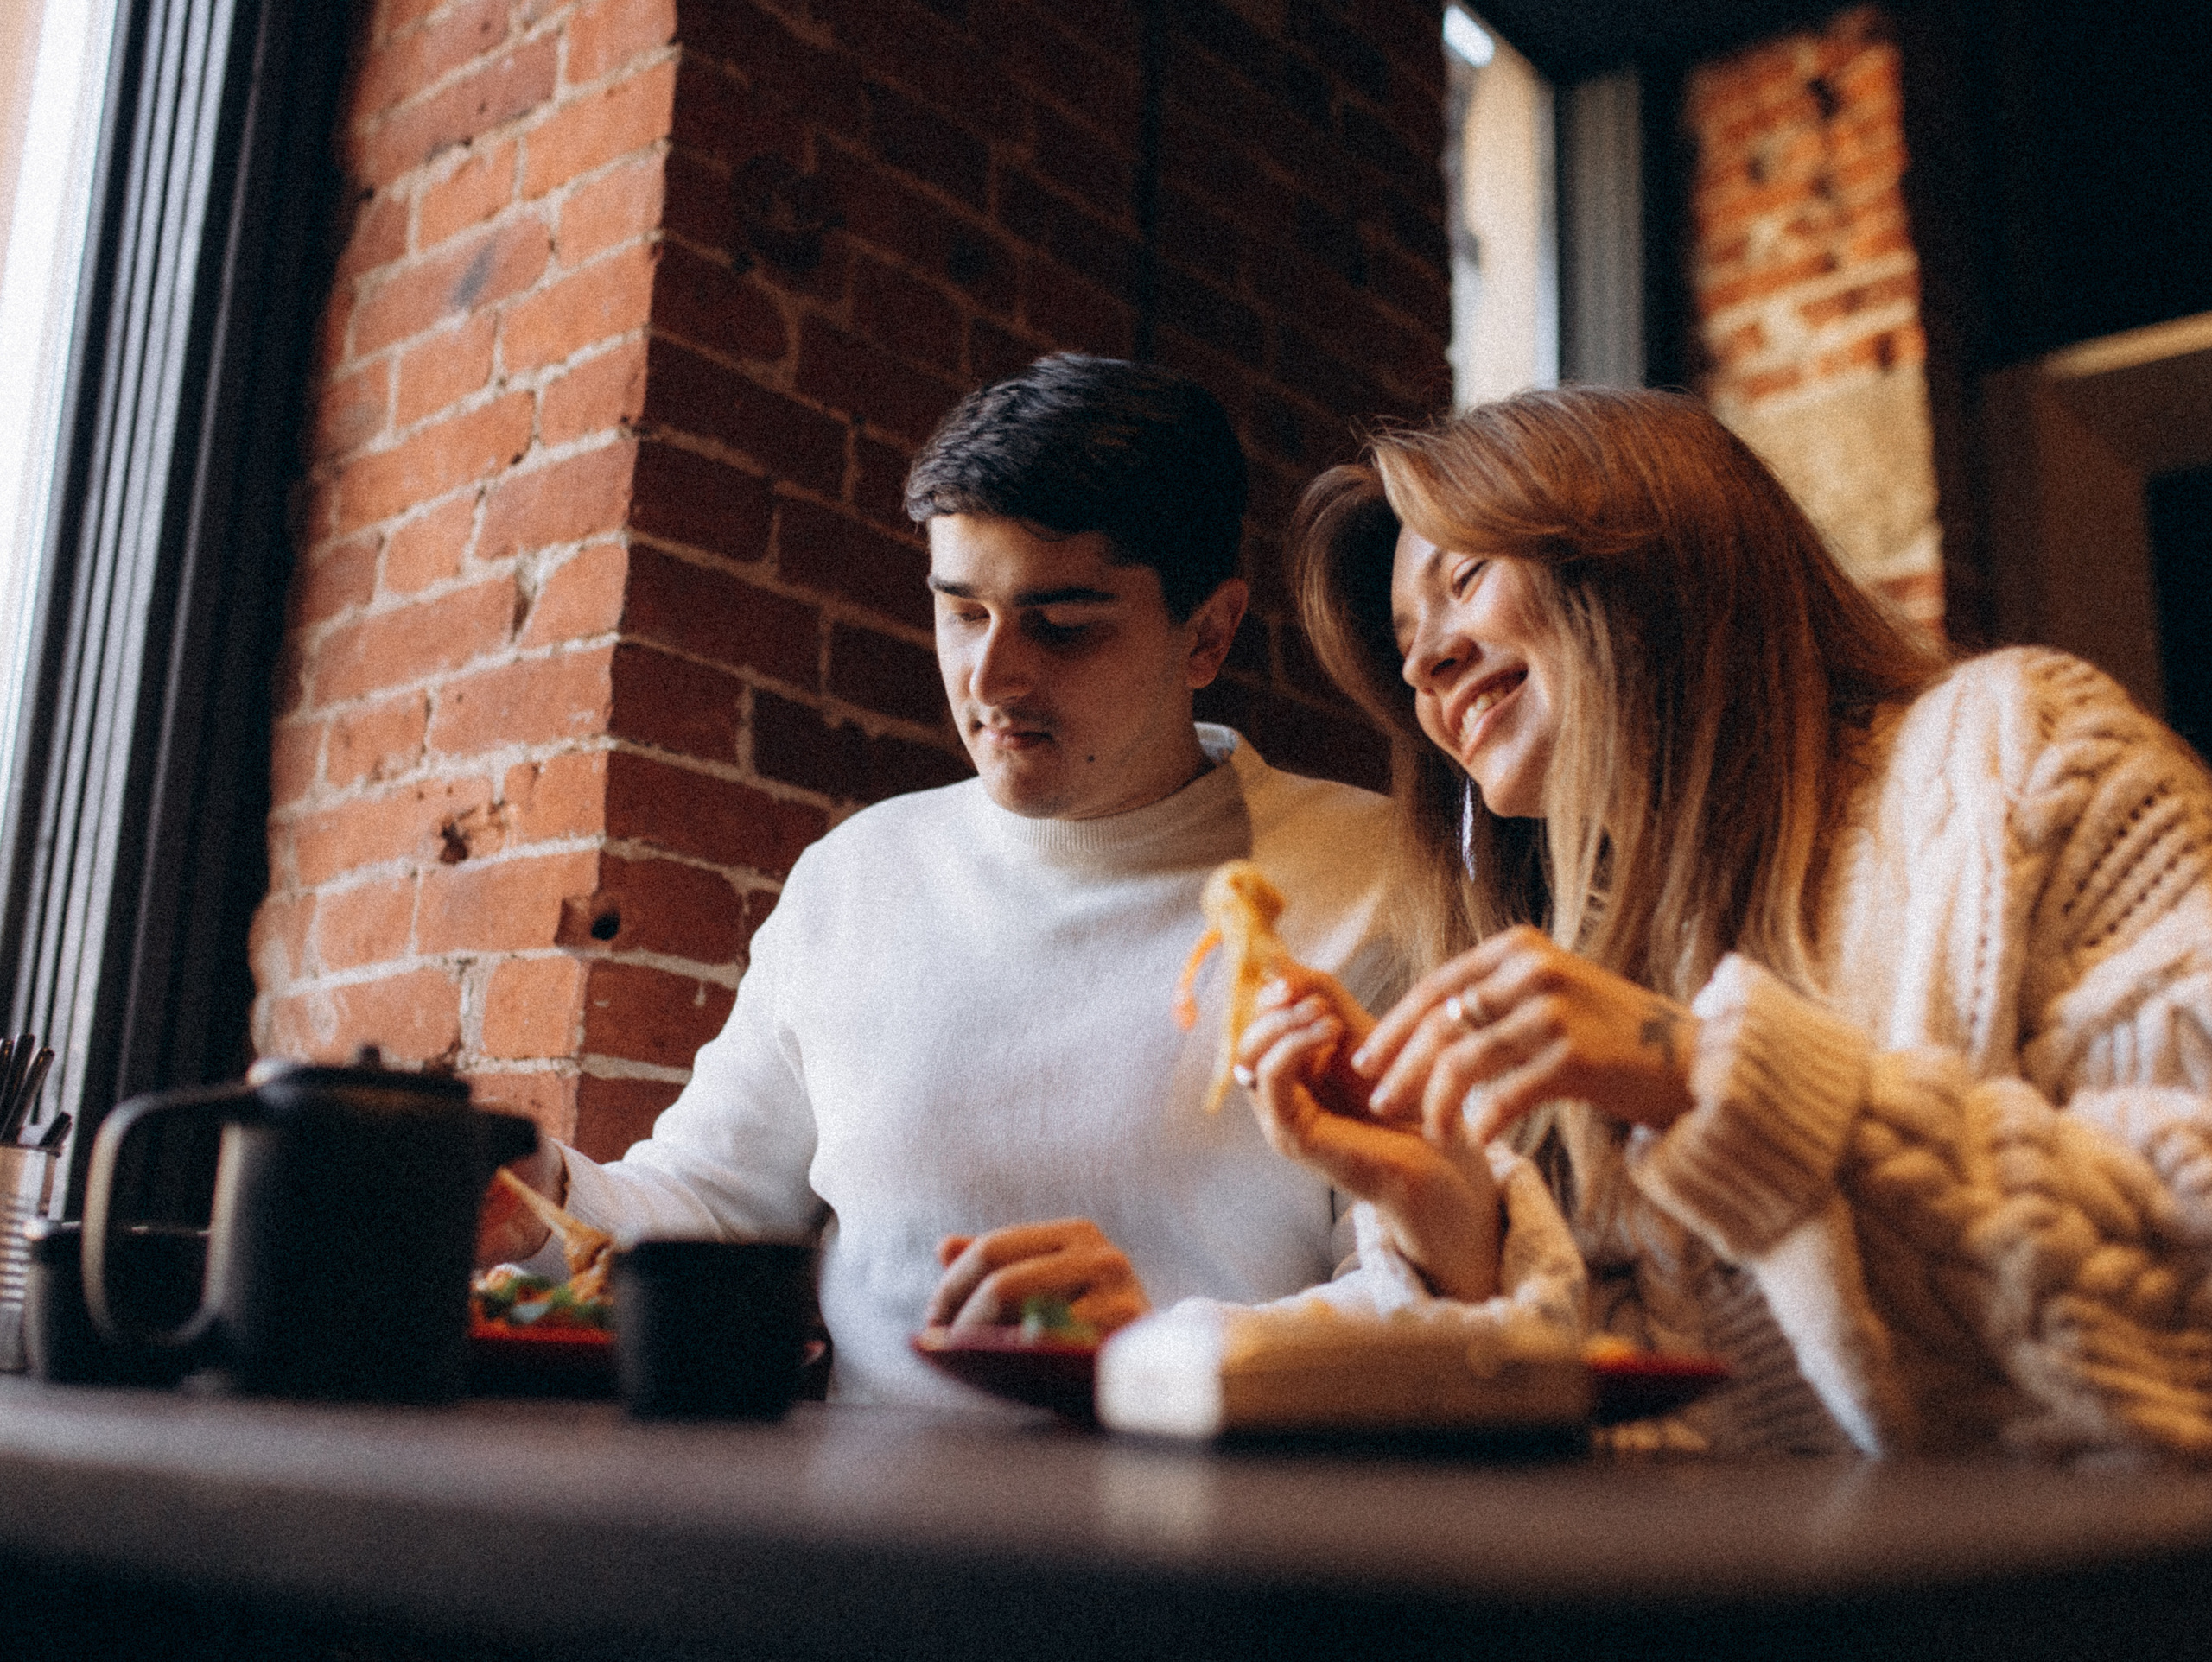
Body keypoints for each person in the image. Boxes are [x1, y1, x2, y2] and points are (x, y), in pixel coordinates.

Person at [1235, 384, 2212, 1460]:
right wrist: (1455, 1223)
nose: (1424, 667)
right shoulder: (1549, 956)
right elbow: (1654, 1446)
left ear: (1650, 558)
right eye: (1410, 645)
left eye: (1464, 578)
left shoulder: (2015, 756)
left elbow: (2190, 1290)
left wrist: (1716, 1079)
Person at [479, 354, 1456, 1407]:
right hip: (863, 1532)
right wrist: (542, 1195)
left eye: (1063, 625)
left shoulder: (1383, 878)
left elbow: (1429, 1295)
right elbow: (713, 1206)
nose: (990, 680)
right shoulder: (853, 879)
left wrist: (1160, 1354)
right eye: (961, 611)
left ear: (1206, 634)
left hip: (1217, 1533)